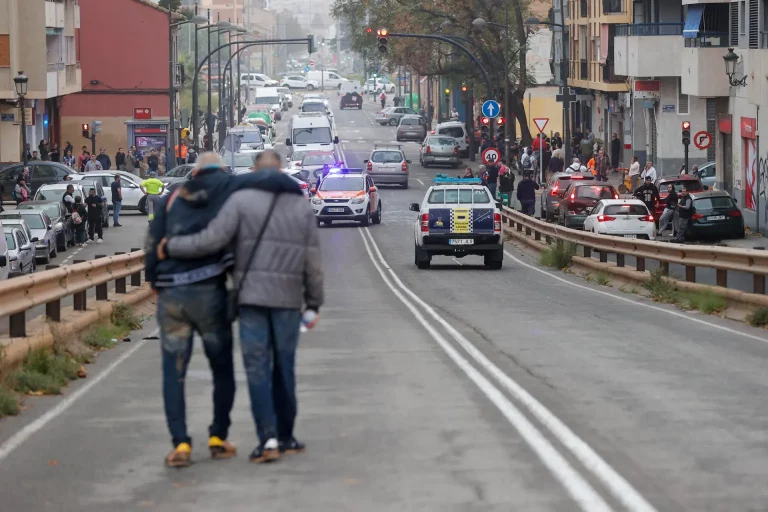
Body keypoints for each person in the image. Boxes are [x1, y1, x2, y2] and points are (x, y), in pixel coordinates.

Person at [150, 151, 313, 467]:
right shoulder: (234, 189)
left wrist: (156, 276)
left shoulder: (172, 197)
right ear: (222, 168)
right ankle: (219, 436)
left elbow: (159, 240)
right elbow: (225, 235)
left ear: (195, 171)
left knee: (175, 370)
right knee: (225, 367)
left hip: (176, 291)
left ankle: (181, 444)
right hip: (214, 291)